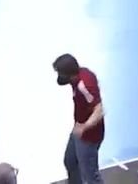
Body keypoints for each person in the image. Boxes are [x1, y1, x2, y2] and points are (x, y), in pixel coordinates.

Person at [53, 53, 105, 184]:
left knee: (90, 175)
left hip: (88, 136)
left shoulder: (83, 85)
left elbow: (99, 111)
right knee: (70, 161)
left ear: (68, 74)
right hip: (79, 128)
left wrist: (84, 127)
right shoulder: (80, 75)